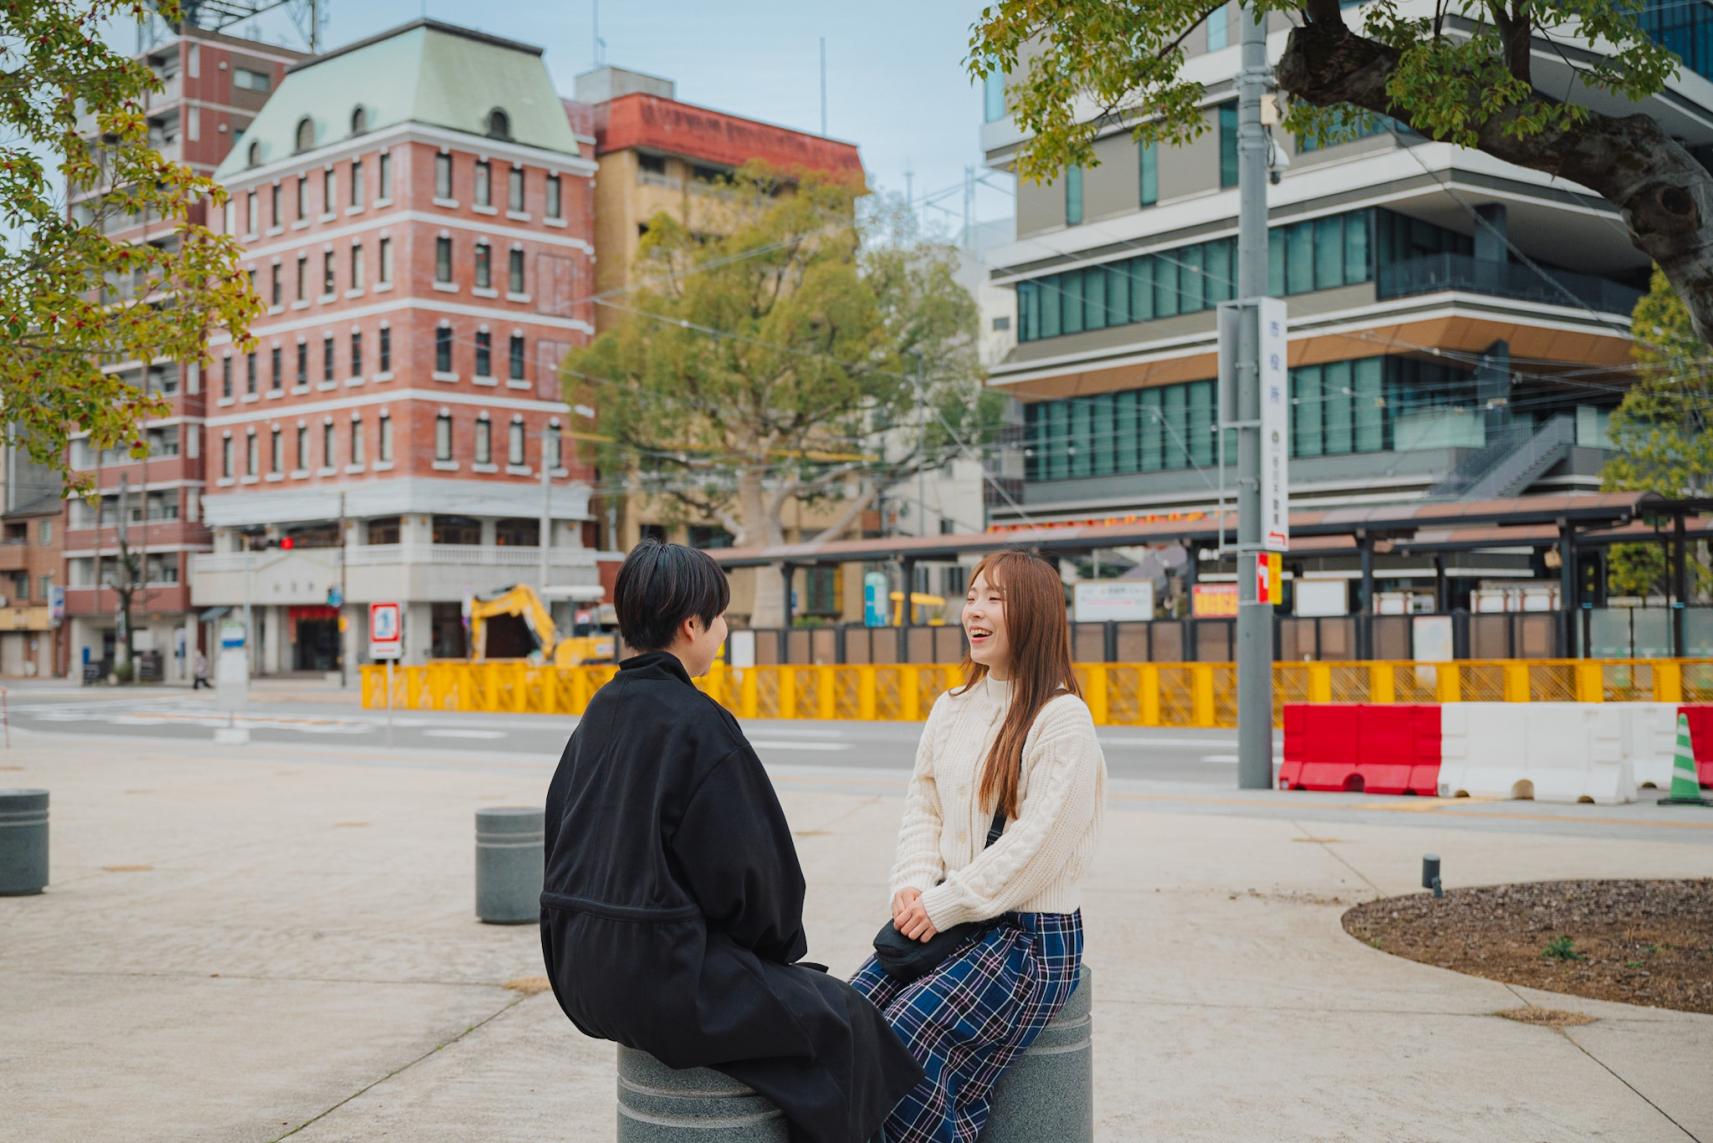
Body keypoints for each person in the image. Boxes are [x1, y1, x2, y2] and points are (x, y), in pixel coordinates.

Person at [539, 540, 921, 1143]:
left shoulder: (597, 714)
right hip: (662, 979)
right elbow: (759, 886)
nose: (723, 630)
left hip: (579, 975)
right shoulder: (697, 722)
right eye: (720, 618)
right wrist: (776, 950)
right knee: (846, 1020)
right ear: (691, 625)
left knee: (796, 1020)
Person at [850, 550, 1107, 1142]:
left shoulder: (1061, 718)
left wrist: (942, 905)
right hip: (953, 918)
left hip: (1030, 937)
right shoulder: (952, 707)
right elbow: (924, 805)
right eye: (971, 596)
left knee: (906, 1039)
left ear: (1036, 615)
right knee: (850, 1019)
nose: (975, 612)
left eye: (996, 598)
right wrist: (911, 884)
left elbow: (1037, 848)